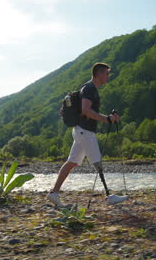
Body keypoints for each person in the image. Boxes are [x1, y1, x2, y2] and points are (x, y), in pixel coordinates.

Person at [47, 62, 129, 207]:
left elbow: (87, 111)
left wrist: (109, 118)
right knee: (97, 163)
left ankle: (54, 193)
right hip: (86, 132)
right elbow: (85, 110)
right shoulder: (90, 89)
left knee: (71, 162)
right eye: (106, 73)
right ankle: (109, 196)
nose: (108, 76)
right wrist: (106, 119)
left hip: (80, 130)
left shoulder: (90, 88)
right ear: (98, 74)